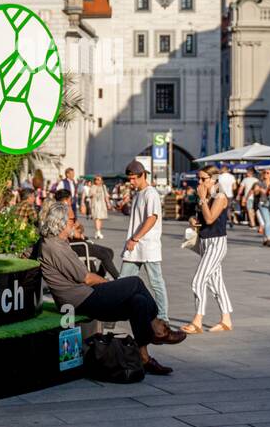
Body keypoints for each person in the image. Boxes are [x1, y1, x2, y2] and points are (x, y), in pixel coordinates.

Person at [37, 201, 185, 375]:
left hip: (85, 295)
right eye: (72, 219)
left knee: (138, 301)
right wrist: (111, 286)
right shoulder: (54, 246)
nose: (75, 223)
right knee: (134, 283)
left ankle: (144, 358)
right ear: (61, 222)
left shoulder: (58, 242)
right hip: (80, 300)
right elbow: (86, 277)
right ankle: (158, 327)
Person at [183, 167, 233, 334]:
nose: (200, 182)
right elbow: (199, 217)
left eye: (203, 179)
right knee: (216, 282)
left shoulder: (220, 197)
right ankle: (226, 320)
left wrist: (203, 199)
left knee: (198, 280)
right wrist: (192, 220)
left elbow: (211, 218)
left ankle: (198, 320)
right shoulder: (206, 197)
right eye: (199, 179)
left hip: (217, 243)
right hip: (205, 242)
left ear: (214, 179)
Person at [120, 160, 168, 324]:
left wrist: (135, 238)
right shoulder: (138, 193)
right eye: (129, 179)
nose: (131, 182)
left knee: (156, 282)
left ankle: (163, 317)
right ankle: (115, 312)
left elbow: (152, 218)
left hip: (147, 246)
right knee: (123, 281)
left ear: (143, 175)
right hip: (135, 246)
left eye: (133, 178)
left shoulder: (150, 193)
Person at [86, 175, 109, 240]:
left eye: (99, 179)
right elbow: (90, 195)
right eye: (96, 179)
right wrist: (93, 194)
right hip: (95, 204)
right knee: (97, 217)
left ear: (101, 180)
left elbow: (106, 196)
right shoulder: (93, 186)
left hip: (102, 204)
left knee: (100, 218)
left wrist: (108, 203)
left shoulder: (104, 187)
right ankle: (98, 232)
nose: (97, 181)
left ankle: (98, 231)